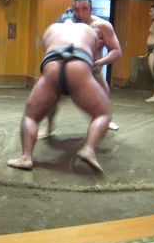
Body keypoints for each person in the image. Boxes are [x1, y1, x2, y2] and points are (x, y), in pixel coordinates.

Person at [7, 18, 111, 172]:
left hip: (52, 66)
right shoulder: (89, 29)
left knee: (30, 116)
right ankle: (88, 149)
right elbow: (94, 62)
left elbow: (47, 48)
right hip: (79, 66)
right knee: (103, 114)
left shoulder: (52, 28)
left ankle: (26, 157)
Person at [41, 0, 122, 135]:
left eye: (84, 9)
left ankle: (102, 125)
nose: (80, 13)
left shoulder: (102, 26)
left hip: (93, 71)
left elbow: (116, 50)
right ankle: (49, 126)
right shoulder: (66, 24)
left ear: (91, 9)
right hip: (69, 71)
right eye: (77, 9)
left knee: (103, 99)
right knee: (51, 99)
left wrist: (100, 62)